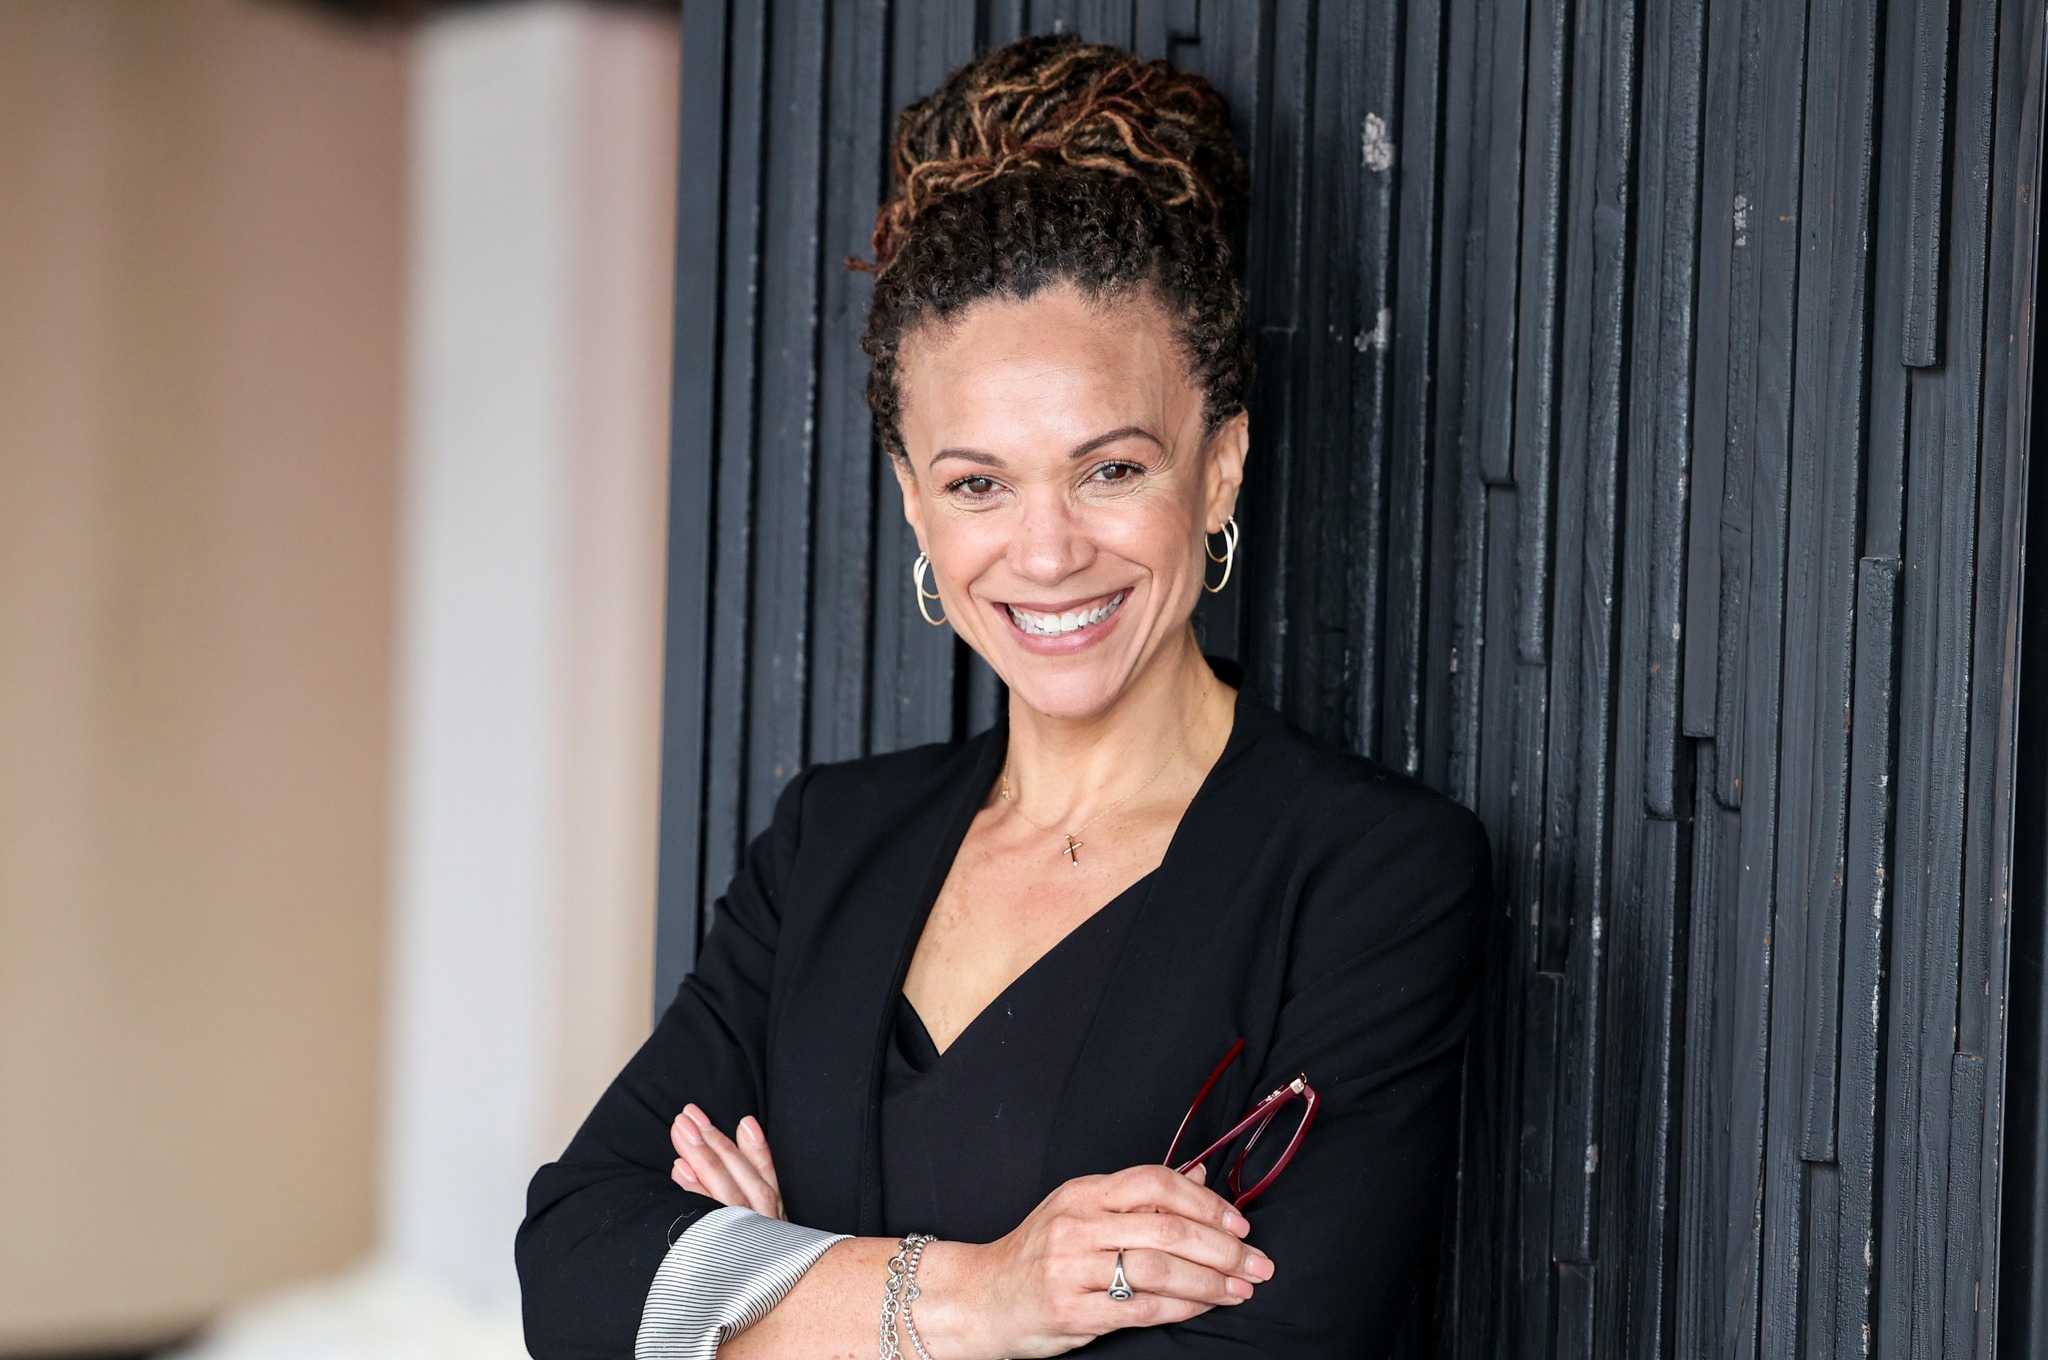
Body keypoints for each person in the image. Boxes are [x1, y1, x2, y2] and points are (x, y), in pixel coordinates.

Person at [517, 32, 1491, 1360]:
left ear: (1219, 468)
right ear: (917, 502)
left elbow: (1275, 1344)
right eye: (978, 484)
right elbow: (576, 1270)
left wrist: (766, 1296)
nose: (1044, 555)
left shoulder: (1368, 877)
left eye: (1112, 470)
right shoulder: (829, 847)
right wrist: (986, 1296)